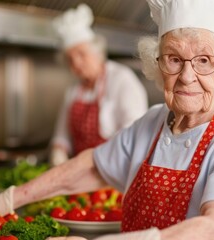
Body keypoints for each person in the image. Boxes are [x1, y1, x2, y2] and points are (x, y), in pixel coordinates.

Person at [0, 0, 214, 239]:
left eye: (203, 60)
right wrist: (11, 198)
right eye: (173, 59)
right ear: (157, 68)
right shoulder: (153, 121)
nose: (187, 76)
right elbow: (93, 165)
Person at [49, 4, 148, 166]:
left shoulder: (122, 79)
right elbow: (62, 135)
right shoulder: (74, 90)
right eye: (70, 59)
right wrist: (58, 153)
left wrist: (102, 163)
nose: (76, 63)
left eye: (81, 54)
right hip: (80, 171)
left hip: (116, 169)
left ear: (97, 51)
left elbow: (134, 132)